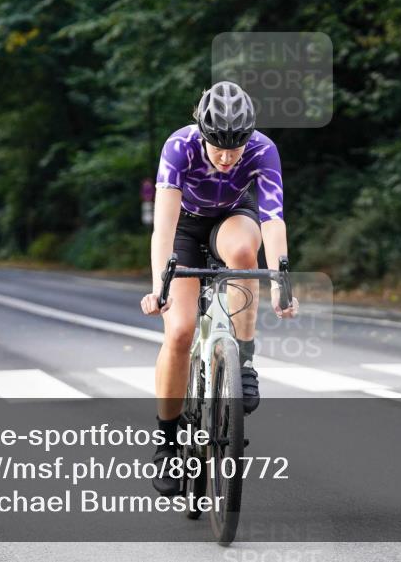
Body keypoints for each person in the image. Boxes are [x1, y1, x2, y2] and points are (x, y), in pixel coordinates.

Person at [140, 81, 298, 496]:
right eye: (218, 147)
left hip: (233, 218)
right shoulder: (179, 146)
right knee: (179, 332)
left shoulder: (263, 149)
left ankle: (243, 361)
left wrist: (280, 282)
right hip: (185, 228)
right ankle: (167, 443)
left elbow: (273, 220)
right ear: (202, 132)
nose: (227, 157)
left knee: (245, 252)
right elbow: (163, 228)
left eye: (235, 147)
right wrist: (160, 287)